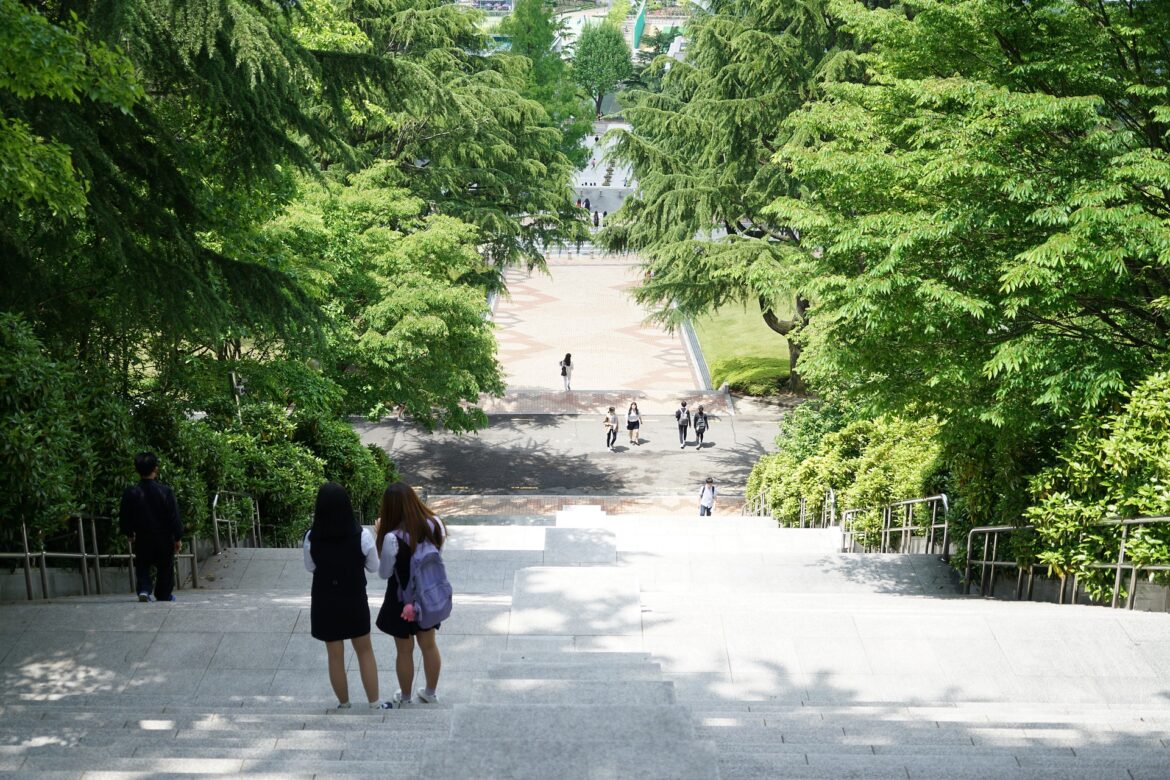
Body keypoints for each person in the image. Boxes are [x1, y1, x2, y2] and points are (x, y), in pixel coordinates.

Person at [303, 482, 381, 711]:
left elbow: (310, 567)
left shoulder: (311, 538)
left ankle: (344, 704)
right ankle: (375, 704)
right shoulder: (362, 536)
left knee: (334, 655)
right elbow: (374, 567)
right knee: (364, 649)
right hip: (354, 599)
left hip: (325, 600)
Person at [375, 483, 446, 708]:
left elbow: (385, 572)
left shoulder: (392, 538)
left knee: (404, 650)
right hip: (428, 595)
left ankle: (405, 698)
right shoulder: (435, 523)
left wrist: (380, 535)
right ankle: (430, 693)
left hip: (400, 601)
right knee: (429, 645)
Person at [119, 452, 184, 603]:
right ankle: (163, 594)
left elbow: (124, 515)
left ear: (137, 470)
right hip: (164, 538)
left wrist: (129, 533)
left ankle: (144, 589)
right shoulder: (165, 491)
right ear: (156, 469)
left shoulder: (131, 492)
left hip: (142, 537)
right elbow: (174, 516)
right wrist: (178, 537)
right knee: (165, 567)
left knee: (142, 564)